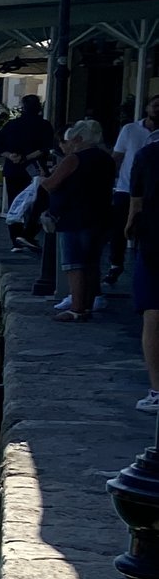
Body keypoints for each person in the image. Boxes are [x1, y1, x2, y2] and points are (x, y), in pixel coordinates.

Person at [43, 119, 118, 321]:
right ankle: (89, 304)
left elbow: (51, 184)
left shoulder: (74, 159)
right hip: (100, 215)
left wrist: (43, 179)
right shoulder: (106, 159)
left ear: (77, 138)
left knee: (74, 264)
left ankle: (77, 308)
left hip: (74, 216)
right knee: (92, 263)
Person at [112, 97, 159, 283]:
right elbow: (117, 155)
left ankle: (143, 266)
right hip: (125, 187)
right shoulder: (130, 130)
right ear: (147, 107)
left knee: (146, 230)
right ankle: (116, 264)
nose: (157, 109)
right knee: (118, 228)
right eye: (155, 105)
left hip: (151, 192)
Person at [132, 121, 159, 410]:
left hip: (153, 241)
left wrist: (129, 229)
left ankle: (157, 389)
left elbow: (135, 203)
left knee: (153, 314)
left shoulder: (147, 155)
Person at [0, 92, 55, 220]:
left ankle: (16, 232)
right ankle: (30, 231)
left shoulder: (11, 125)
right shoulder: (44, 125)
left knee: (15, 202)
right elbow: (46, 148)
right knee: (38, 202)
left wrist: (11, 156)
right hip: (36, 169)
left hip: (13, 169)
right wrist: (27, 157)